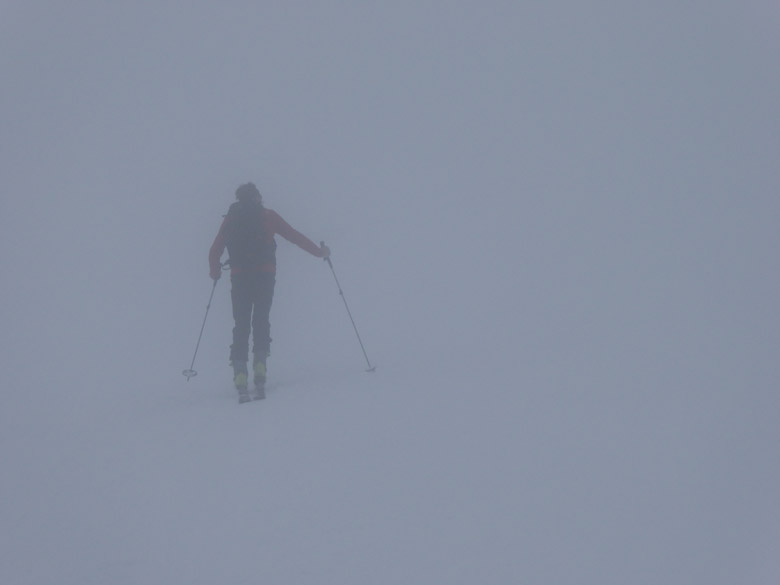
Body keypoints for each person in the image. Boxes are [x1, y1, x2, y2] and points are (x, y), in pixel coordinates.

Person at [209, 182, 329, 403]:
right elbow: (294, 236)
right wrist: (319, 252)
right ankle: (260, 368)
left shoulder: (232, 218)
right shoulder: (268, 216)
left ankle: (240, 374)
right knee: (261, 319)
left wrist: (215, 272)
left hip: (239, 276)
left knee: (241, 323)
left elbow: (214, 250)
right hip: (265, 275)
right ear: (257, 197)